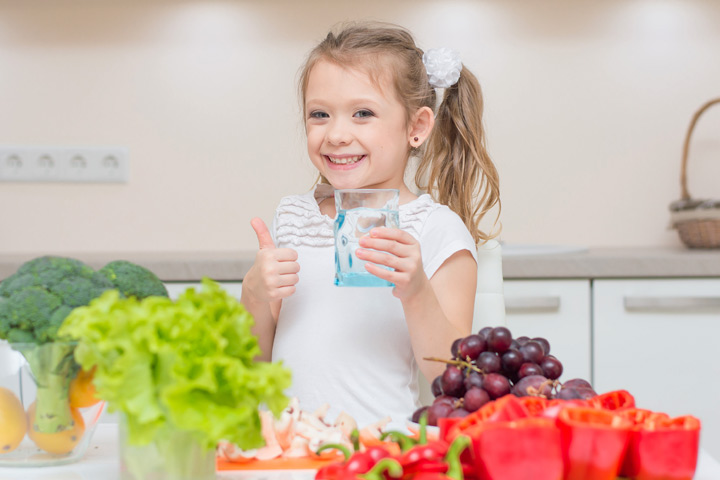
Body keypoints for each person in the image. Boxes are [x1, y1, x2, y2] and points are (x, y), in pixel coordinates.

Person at [241, 21, 500, 428]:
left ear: (416, 127)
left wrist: (416, 291)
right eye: (319, 114)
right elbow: (254, 366)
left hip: (382, 448)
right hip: (291, 449)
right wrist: (254, 295)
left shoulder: (435, 229)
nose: (337, 134)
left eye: (363, 113)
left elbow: (451, 382)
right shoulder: (293, 216)